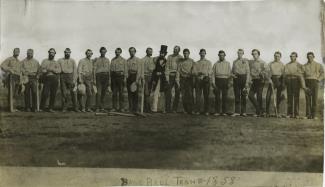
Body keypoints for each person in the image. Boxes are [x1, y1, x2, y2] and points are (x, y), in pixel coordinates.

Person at [283, 52, 307, 118]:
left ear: (296, 57)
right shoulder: (287, 65)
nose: (292, 57)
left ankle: (296, 114)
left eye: (293, 56)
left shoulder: (299, 65)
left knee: (296, 97)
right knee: (289, 97)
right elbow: (286, 73)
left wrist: (296, 73)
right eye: (291, 56)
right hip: (289, 81)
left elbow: (301, 73)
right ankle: (289, 113)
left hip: (296, 81)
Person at [302, 52, 324, 120]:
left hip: (315, 82)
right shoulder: (304, 66)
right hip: (307, 82)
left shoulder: (318, 65)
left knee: (314, 99)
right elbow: (302, 76)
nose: (310, 58)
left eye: (311, 56)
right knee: (308, 99)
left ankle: (314, 115)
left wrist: (318, 79)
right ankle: (308, 115)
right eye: (308, 57)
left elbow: (323, 73)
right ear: (307, 57)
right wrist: (303, 85)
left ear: (313, 57)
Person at [248, 49, 269, 117]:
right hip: (254, 80)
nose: (254, 55)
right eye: (253, 54)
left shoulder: (262, 62)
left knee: (259, 96)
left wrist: (262, 73)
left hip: (260, 80)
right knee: (250, 95)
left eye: (255, 54)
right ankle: (261, 110)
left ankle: (258, 112)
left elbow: (267, 71)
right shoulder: (252, 62)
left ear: (258, 54)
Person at [40, 48, 61, 112]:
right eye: (50, 52)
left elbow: (59, 70)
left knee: (53, 94)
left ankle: (51, 108)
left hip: (54, 78)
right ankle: (42, 107)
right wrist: (46, 70)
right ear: (48, 53)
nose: (51, 54)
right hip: (47, 78)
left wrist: (53, 70)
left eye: (53, 53)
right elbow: (42, 70)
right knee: (45, 93)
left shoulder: (56, 62)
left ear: (54, 54)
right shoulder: (44, 61)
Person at [1, 48, 22, 112]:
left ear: (19, 53)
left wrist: (21, 80)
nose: (17, 52)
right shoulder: (9, 59)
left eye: (18, 51)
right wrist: (9, 69)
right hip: (11, 77)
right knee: (11, 92)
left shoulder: (19, 61)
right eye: (15, 51)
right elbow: (2, 65)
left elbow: (20, 71)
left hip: (17, 77)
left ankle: (14, 107)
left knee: (16, 93)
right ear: (13, 52)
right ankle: (10, 108)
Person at [58, 48, 78, 112]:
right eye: (66, 52)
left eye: (68, 52)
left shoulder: (73, 61)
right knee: (64, 93)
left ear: (70, 53)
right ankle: (64, 108)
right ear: (64, 53)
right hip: (63, 76)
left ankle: (75, 107)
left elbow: (75, 71)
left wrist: (74, 80)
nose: (67, 53)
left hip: (70, 76)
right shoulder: (60, 60)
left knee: (73, 92)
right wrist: (59, 79)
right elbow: (58, 70)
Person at [265, 51, 285, 117]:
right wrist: (269, 79)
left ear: (280, 57)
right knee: (268, 96)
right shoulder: (270, 64)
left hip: (279, 80)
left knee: (278, 96)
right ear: (274, 56)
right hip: (272, 80)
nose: (277, 57)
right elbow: (267, 72)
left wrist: (282, 83)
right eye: (275, 56)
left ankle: (277, 112)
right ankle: (267, 112)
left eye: (278, 56)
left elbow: (283, 75)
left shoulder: (282, 64)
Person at [212, 50, 231, 116]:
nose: (221, 56)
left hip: (225, 80)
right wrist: (213, 83)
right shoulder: (215, 64)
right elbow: (213, 74)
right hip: (218, 80)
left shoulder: (228, 63)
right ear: (218, 56)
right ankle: (217, 111)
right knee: (217, 97)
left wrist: (229, 82)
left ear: (224, 55)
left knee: (224, 97)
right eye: (220, 55)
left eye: (223, 55)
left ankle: (224, 112)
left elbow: (229, 74)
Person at [193, 49, 212, 115]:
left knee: (206, 95)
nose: (202, 54)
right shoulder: (196, 63)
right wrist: (198, 74)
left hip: (206, 79)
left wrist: (204, 74)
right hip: (198, 80)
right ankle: (197, 110)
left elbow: (210, 71)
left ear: (205, 54)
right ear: (199, 54)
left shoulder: (208, 62)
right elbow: (194, 72)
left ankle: (206, 111)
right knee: (198, 96)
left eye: (203, 53)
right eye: (201, 53)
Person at [231, 49, 250, 117]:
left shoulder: (245, 61)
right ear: (237, 54)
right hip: (236, 79)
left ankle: (244, 112)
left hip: (243, 78)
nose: (239, 54)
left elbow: (248, 72)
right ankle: (237, 112)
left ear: (243, 54)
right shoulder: (234, 62)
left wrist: (247, 82)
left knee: (243, 95)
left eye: (241, 53)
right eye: (238, 53)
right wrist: (233, 75)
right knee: (237, 95)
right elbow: (232, 71)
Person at [165, 45, 183, 113]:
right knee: (168, 92)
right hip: (170, 76)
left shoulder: (180, 57)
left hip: (178, 76)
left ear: (179, 50)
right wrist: (167, 77)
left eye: (177, 49)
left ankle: (174, 109)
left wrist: (178, 77)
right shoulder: (169, 57)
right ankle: (167, 109)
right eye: (174, 49)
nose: (175, 50)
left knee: (177, 92)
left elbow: (180, 68)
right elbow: (166, 67)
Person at [151, 45, 168, 113]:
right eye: (161, 53)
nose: (162, 54)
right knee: (155, 93)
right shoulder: (156, 60)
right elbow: (154, 70)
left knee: (162, 93)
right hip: (156, 78)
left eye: (163, 53)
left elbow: (167, 70)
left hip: (163, 79)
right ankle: (154, 108)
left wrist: (163, 75)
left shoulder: (166, 61)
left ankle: (162, 109)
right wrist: (155, 74)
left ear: (165, 54)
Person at [177, 48, 195, 114]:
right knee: (183, 95)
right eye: (184, 53)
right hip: (182, 79)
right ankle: (185, 109)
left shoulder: (192, 61)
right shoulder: (180, 62)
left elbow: (193, 70)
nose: (185, 55)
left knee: (190, 94)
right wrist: (177, 80)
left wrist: (191, 74)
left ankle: (191, 110)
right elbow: (178, 71)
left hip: (189, 79)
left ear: (189, 54)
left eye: (187, 53)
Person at [93, 47, 111, 112]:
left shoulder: (107, 60)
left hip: (106, 76)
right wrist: (94, 79)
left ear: (106, 52)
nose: (103, 53)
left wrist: (109, 80)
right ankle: (97, 107)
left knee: (104, 93)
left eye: (104, 52)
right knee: (99, 93)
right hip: (99, 76)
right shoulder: (96, 59)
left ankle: (102, 107)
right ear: (100, 52)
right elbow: (94, 69)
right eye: (102, 51)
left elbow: (109, 70)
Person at [110, 48, 127, 112]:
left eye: (118, 52)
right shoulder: (112, 60)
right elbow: (111, 70)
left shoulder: (123, 60)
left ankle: (121, 107)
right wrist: (111, 79)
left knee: (121, 93)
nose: (117, 53)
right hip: (114, 77)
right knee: (114, 93)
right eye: (116, 52)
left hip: (121, 77)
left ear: (120, 52)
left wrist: (125, 78)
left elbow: (125, 70)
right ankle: (114, 107)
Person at [126, 47, 142, 113]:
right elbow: (126, 70)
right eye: (130, 51)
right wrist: (126, 77)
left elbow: (139, 70)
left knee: (135, 94)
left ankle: (136, 109)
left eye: (132, 51)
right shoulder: (127, 60)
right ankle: (130, 108)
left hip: (135, 77)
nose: (131, 53)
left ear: (135, 52)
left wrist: (137, 80)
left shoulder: (138, 60)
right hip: (129, 77)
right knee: (129, 94)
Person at [141, 47, 155, 113]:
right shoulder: (143, 60)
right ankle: (147, 108)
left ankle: (145, 108)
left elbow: (154, 69)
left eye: (151, 51)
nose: (150, 52)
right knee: (146, 93)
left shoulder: (153, 60)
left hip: (151, 77)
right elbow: (142, 70)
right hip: (145, 77)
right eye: (149, 51)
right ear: (146, 52)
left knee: (149, 93)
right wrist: (143, 78)